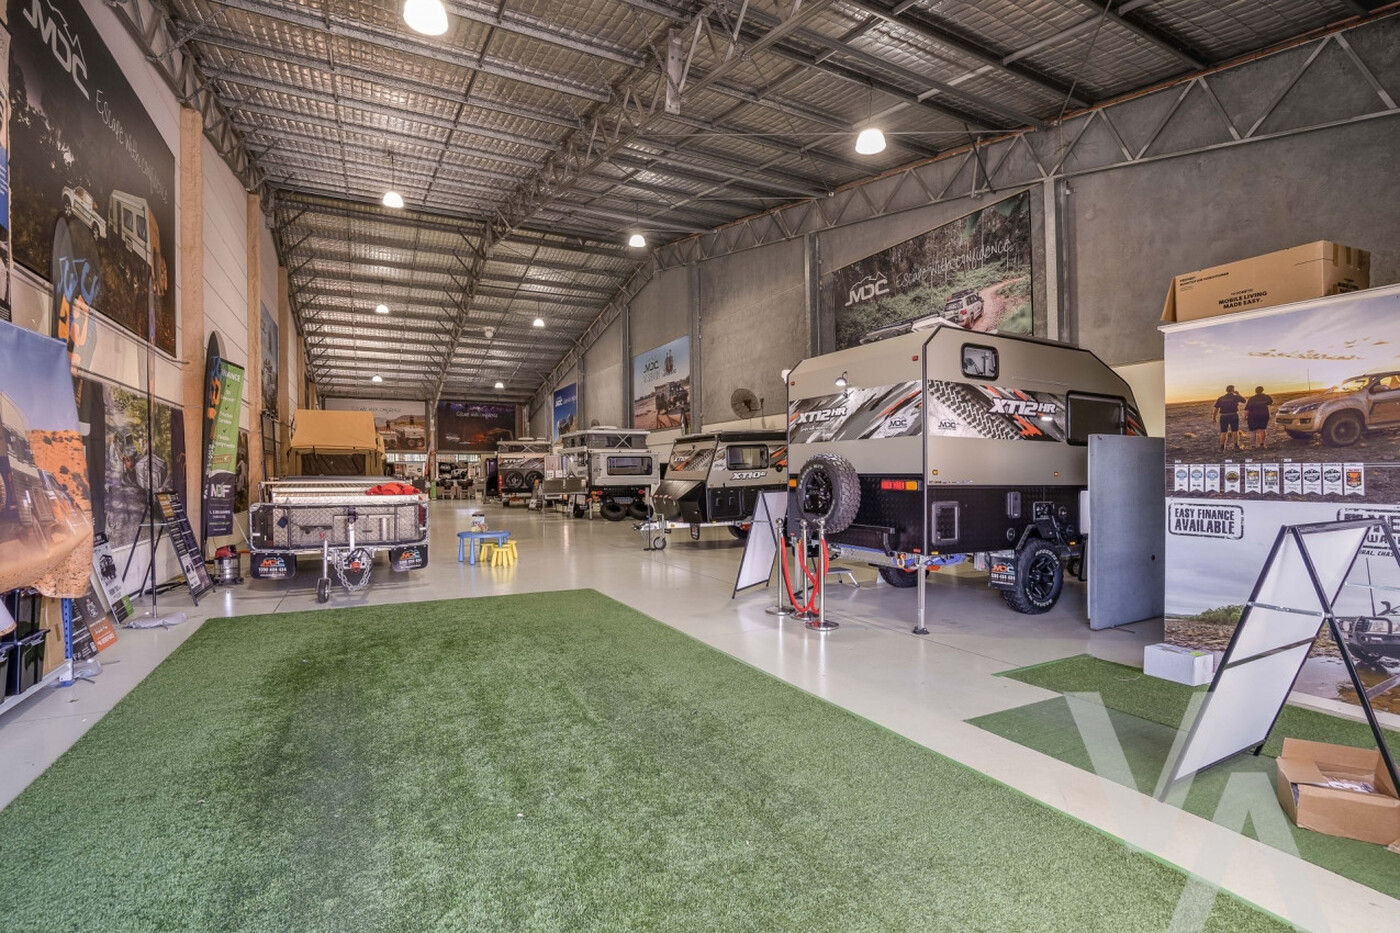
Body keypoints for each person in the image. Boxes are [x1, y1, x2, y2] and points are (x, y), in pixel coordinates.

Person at [1213, 385, 1246, 452]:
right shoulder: (1235, 397)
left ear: (1226, 390)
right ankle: (1236, 446)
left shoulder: (1221, 398)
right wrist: (1238, 394)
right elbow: (1244, 401)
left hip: (1223, 416)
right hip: (1233, 415)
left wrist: (1214, 417)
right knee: (1235, 431)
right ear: (1233, 390)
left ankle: (1222, 447)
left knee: (1223, 432)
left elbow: (1216, 408)